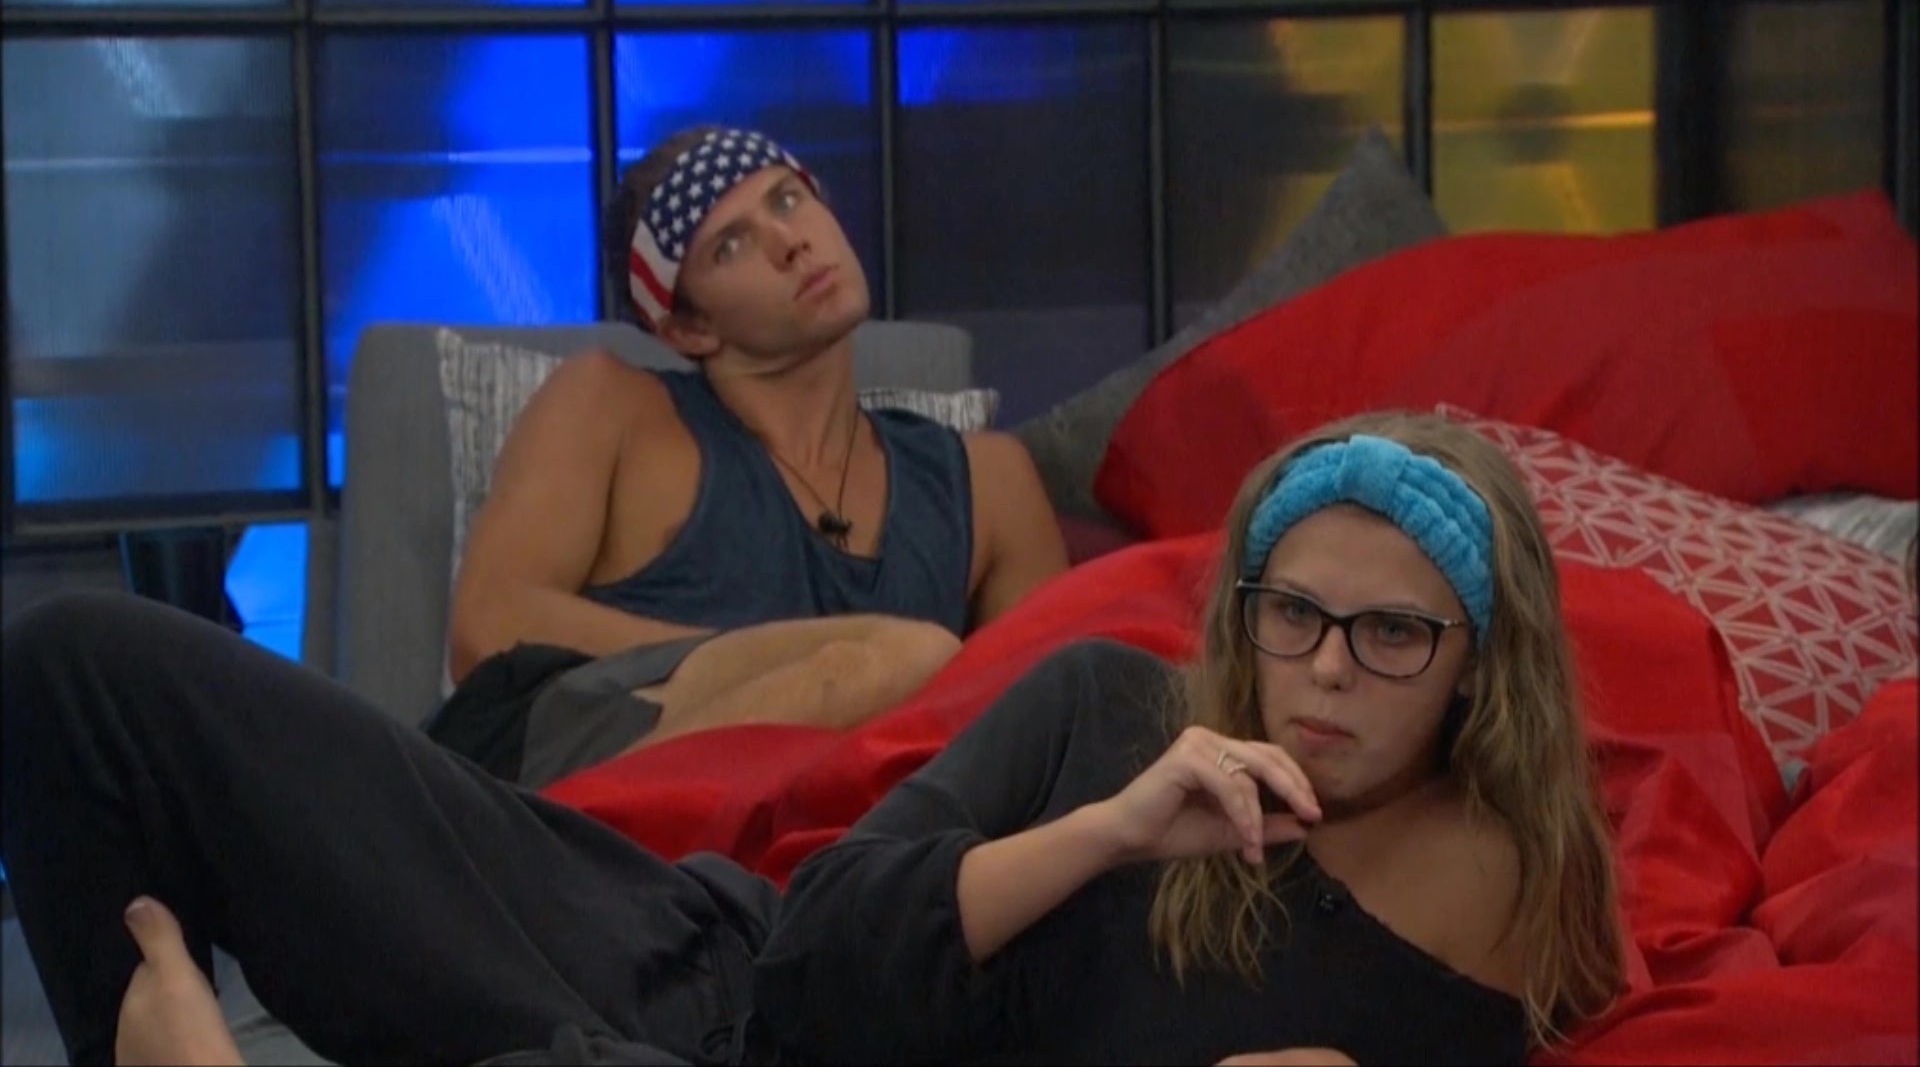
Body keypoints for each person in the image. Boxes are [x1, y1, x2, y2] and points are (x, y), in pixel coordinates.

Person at [2, 409, 1623, 1066]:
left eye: (1391, 635)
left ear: (1481, 668)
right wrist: (1111, 832)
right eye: (1291, 614)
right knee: (83, 669)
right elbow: (821, 944)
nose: (1324, 673)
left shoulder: (1507, 928)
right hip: (685, 957)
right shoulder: (1112, 711)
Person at [426, 123, 1068, 786]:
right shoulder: (611, 408)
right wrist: (810, 665)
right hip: (591, 797)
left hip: (860, 832)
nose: (789, 242)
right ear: (688, 328)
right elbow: (490, 628)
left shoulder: (986, 483)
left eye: (787, 200)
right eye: (729, 245)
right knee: (907, 658)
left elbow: (1055, 733)